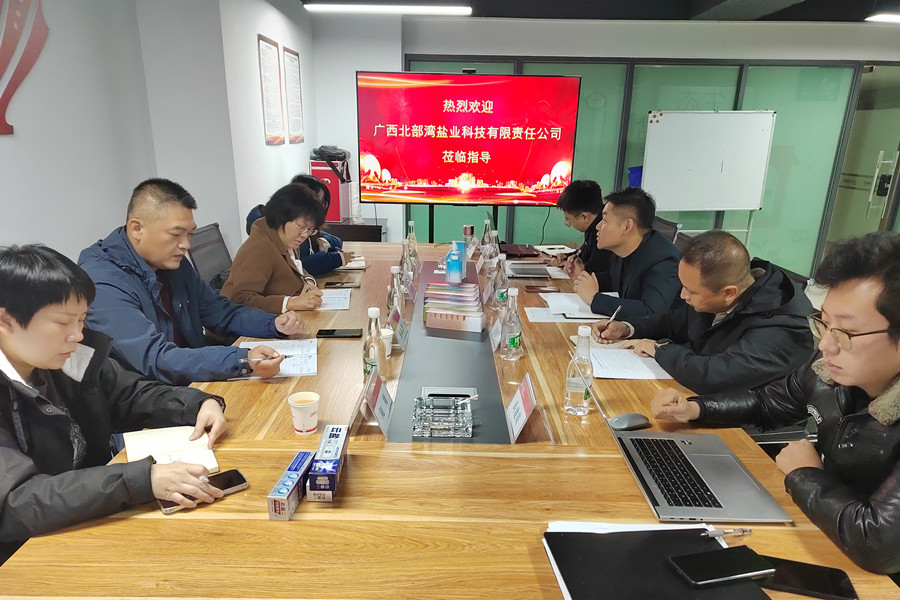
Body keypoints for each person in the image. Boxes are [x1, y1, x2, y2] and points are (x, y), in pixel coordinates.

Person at [651, 232, 900, 575]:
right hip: (825, 531)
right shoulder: (828, 372)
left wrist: (805, 474)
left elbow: (878, 542)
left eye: (845, 333)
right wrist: (696, 409)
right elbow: (767, 402)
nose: (825, 346)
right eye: (824, 323)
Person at [0, 245, 228, 562]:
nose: (77, 335)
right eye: (63, 322)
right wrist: (140, 480)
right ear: (6, 320)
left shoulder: (65, 358)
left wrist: (197, 403)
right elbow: (17, 501)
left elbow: (129, 394)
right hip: (28, 554)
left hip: (90, 519)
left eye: (82, 320)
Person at [78, 178, 303, 385]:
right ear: (137, 228)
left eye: (189, 234)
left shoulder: (172, 264)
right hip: (151, 398)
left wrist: (273, 323)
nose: (186, 245)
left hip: (191, 382)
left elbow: (219, 312)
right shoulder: (102, 281)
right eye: (176, 234)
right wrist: (242, 359)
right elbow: (154, 358)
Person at [592, 230, 814, 394]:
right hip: (699, 399)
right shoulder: (718, 293)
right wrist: (627, 328)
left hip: (746, 425)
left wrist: (660, 350)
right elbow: (672, 322)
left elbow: (717, 375)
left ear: (728, 293)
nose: (683, 296)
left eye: (691, 291)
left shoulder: (778, 325)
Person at [573, 187, 680, 319]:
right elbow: (618, 280)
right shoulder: (622, 249)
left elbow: (651, 312)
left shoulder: (664, 260)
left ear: (627, 226)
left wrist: (594, 299)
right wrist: (585, 279)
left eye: (605, 220)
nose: (598, 226)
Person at [222, 184, 325, 313]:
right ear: (281, 217)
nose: (305, 235)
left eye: (310, 229)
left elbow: (296, 268)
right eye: (301, 227)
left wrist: (308, 282)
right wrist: (290, 303)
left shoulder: (287, 238)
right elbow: (241, 299)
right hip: (240, 323)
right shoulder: (260, 248)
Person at [291, 174, 355, 275]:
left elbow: (336, 241)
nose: (322, 207)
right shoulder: (289, 231)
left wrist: (324, 241)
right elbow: (295, 268)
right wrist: (334, 259)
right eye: (319, 201)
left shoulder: (309, 228)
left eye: (323, 202)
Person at [548, 180, 613, 277]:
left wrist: (569, 266)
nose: (600, 226)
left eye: (568, 220)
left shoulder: (605, 233)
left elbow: (593, 269)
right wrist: (567, 257)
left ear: (585, 217)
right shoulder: (592, 225)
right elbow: (583, 252)